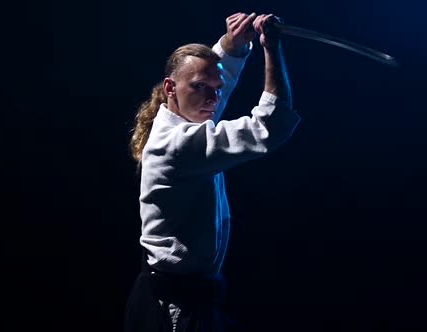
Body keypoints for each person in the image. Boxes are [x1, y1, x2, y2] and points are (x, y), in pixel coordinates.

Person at [124, 11, 300, 332]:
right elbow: (269, 125)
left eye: (215, 89)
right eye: (201, 88)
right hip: (174, 310)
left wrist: (231, 45)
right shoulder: (179, 143)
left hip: (193, 299)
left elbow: (212, 78)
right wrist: (270, 49)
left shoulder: (187, 115)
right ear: (170, 88)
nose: (213, 98)